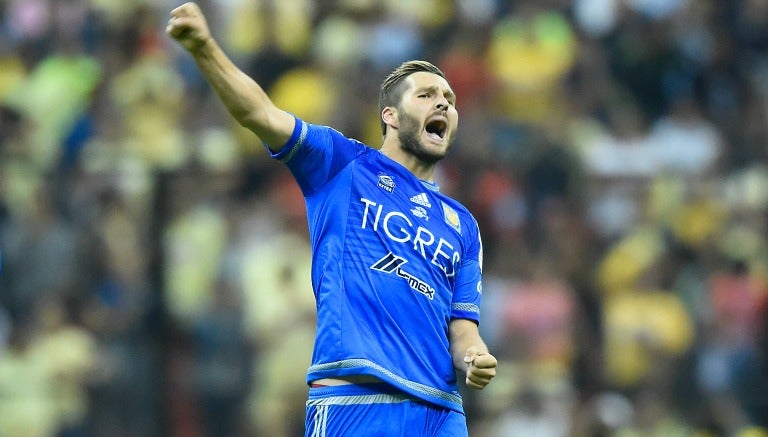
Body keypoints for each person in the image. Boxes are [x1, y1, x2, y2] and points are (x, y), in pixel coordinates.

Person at [166, 3, 497, 436]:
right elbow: (259, 114)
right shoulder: (344, 165)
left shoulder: (462, 225)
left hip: (441, 412)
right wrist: (205, 48)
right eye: (427, 95)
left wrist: (474, 356)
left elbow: (463, 329)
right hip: (353, 400)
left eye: (449, 100)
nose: (444, 103)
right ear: (390, 116)